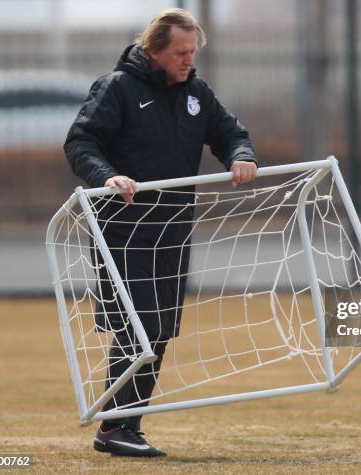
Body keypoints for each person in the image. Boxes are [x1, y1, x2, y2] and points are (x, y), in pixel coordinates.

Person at [64, 8, 258, 457]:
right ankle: (114, 428)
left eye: (193, 52)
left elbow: (230, 132)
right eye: (180, 53)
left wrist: (240, 155)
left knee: (161, 329)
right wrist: (107, 177)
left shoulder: (197, 93)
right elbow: (80, 142)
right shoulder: (117, 89)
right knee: (138, 325)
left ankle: (126, 428)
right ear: (154, 52)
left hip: (173, 230)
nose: (189, 60)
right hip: (122, 231)